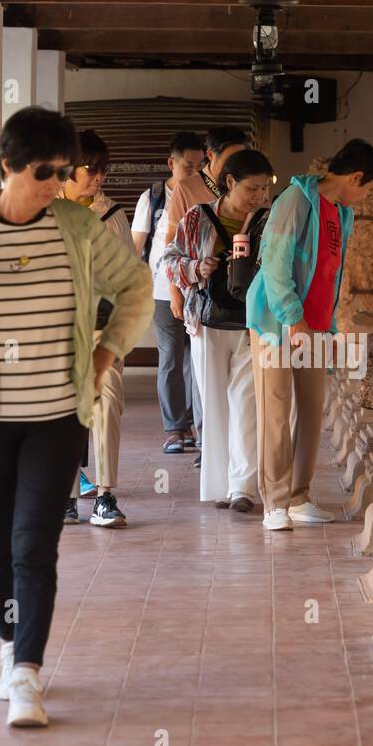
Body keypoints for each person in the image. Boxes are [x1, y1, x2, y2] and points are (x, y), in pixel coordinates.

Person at [0, 107, 153, 727]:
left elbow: (135, 285)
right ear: (8, 165)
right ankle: (9, 643)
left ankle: (27, 673)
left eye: (64, 172)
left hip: (57, 414)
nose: (58, 183)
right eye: (45, 172)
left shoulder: (77, 227)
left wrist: (106, 351)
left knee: (33, 546)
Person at [246, 139, 373, 531]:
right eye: (367, 188)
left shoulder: (341, 213)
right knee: (275, 410)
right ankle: (273, 502)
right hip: (278, 323)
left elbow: (329, 273)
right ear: (355, 177)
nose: (365, 196)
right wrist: (293, 319)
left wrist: (330, 327)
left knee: (310, 410)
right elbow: (275, 263)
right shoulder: (295, 200)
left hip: (316, 326)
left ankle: (298, 496)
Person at [161, 149, 274, 511]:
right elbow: (170, 258)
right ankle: (220, 485)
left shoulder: (268, 221)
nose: (260, 197)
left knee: (246, 402)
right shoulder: (198, 217)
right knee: (213, 404)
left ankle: (242, 488)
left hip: (251, 324)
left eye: (264, 189)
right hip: (206, 321)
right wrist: (197, 268)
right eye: (253, 189)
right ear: (229, 183)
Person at [162, 125, 250, 469]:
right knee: (200, 378)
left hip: (244, 309)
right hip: (200, 299)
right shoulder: (188, 189)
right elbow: (172, 244)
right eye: (233, 155)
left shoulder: (255, 197)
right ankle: (204, 445)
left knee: (240, 393)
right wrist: (177, 293)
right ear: (213, 156)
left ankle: (234, 460)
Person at [59, 130, 135, 527]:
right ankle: (68, 498)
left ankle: (105, 495)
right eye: (91, 168)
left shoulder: (111, 215)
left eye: (103, 170)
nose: (98, 177)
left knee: (106, 403)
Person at [132, 131, 205, 457]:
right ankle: (175, 427)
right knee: (171, 357)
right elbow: (136, 246)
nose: (194, 172)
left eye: (200, 165)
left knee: (197, 358)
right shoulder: (154, 197)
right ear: (171, 163)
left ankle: (194, 423)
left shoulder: (207, 194)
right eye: (189, 166)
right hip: (163, 289)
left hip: (200, 288)